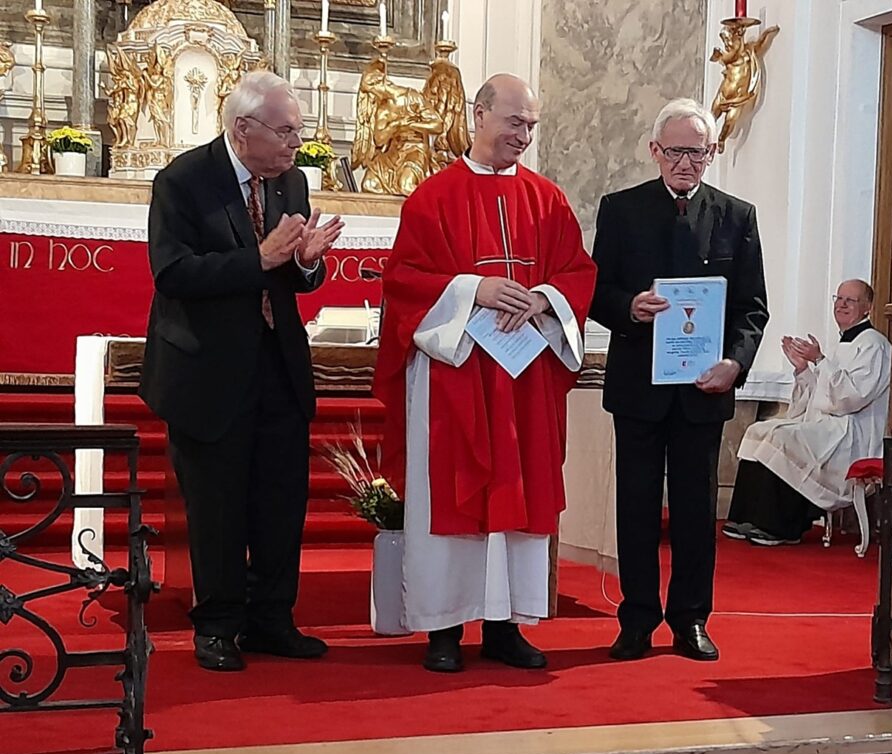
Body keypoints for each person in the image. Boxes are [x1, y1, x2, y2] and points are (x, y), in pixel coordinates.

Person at [373, 73, 597, 673]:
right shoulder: (431, 197)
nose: (523, 135)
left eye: (530, 125)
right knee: (452, 494)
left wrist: (544, 298)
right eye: (513, 121)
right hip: (457, 378)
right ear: (479, 115)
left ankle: (506, 625)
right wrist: (475, 289)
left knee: (518, 496)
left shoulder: (547, 199)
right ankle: (442, 629)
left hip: (523, 382)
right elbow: (404, 282)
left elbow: (578, 270)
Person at [140, 71, 344, 671]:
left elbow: (294, 278)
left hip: (276, 363)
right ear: (242, 129)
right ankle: (219, 625)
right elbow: (173, 274)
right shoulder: (183, 181)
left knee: (282, 499)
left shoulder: (291, 182)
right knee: (217, 504)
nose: (294, 145)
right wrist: (259, 257)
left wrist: (306, 265)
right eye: (284, 132)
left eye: (298, 133)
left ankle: (272, 619)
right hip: (206, 369)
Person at [590, 97, 768, 663]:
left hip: (704, 390)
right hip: (639, 386)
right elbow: (595, 293)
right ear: (654, 151)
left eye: (696, 152)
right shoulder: (620, 209)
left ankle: (691, 619)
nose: (684, 162)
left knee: (694, 511)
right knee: (637, 507)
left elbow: (752, 308)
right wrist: (629, 307)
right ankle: (637, 618)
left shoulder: (737, 216)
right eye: (674, 151)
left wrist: (735, 363)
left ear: (711, 153)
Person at [724, 279, 891, 546]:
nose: (842, 305)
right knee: (759, 429)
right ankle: (748, 517)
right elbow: (819, 396)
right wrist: (802, 368)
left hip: (851, 434)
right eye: (839, 298)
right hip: (828, 424)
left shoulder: (874, 345)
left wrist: (819, 361)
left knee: (783, 438)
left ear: (868, 307)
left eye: (851, 300)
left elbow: (851, 398)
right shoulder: (841, 344)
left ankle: (780, 527)